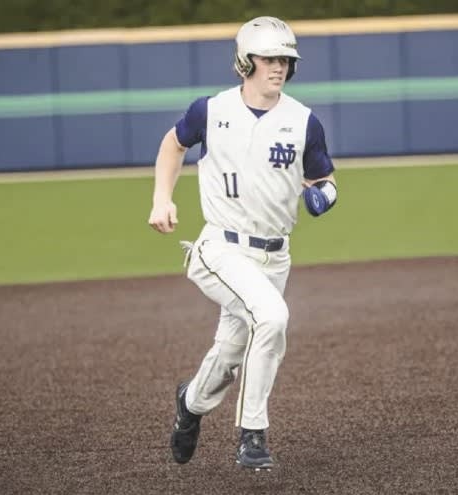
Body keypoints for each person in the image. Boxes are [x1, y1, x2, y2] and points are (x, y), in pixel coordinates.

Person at [148, 16, 338, 470]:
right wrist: (161, 199)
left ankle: (190, 404)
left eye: (285, 60)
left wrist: (322, 196)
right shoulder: (210, 111)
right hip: (220, 249)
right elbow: (173, 145)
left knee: (232, 351)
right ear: (245, 60)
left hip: (275, 257)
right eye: (270, 58)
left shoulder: (303, 121)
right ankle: (253, 433)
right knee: (271, 318)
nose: (279, 67)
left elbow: (326, 180)